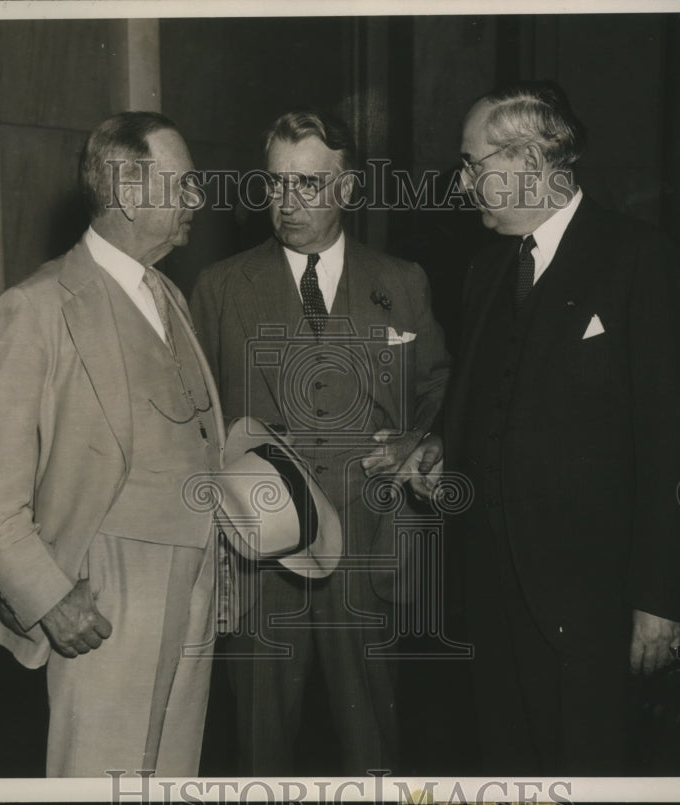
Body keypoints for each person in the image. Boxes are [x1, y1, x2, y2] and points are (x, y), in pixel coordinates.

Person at [405, 82, 680, 774]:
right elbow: (485, 396)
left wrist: (659, 600)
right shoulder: (487, 268)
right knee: (507, 764)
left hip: (594, 604)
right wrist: (442, 445)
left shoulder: (640, 261)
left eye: (472, 164)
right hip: (493, 594)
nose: (462, 183)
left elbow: (678, 444)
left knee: (588, 767)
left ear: (529, 160)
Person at [0, 112, 224, 778]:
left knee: (172, 777)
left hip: (194, 579)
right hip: (105, 593)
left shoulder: (167, 293)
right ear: (130, 193)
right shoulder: (37, 307)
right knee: (102, 778)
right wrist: (48, 598)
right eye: (184, 184)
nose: (198, 199)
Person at [190, 108, 450, 775]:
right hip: (260, 550)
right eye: (275, 183)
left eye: (308, 183)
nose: (287, 202)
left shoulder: (402, 281)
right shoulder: (220, 287)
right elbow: (194, 418)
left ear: (349, 187)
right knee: (258, 745)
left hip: (371, 543)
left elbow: (440, 390)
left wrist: (421, 437)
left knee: (374, 747)